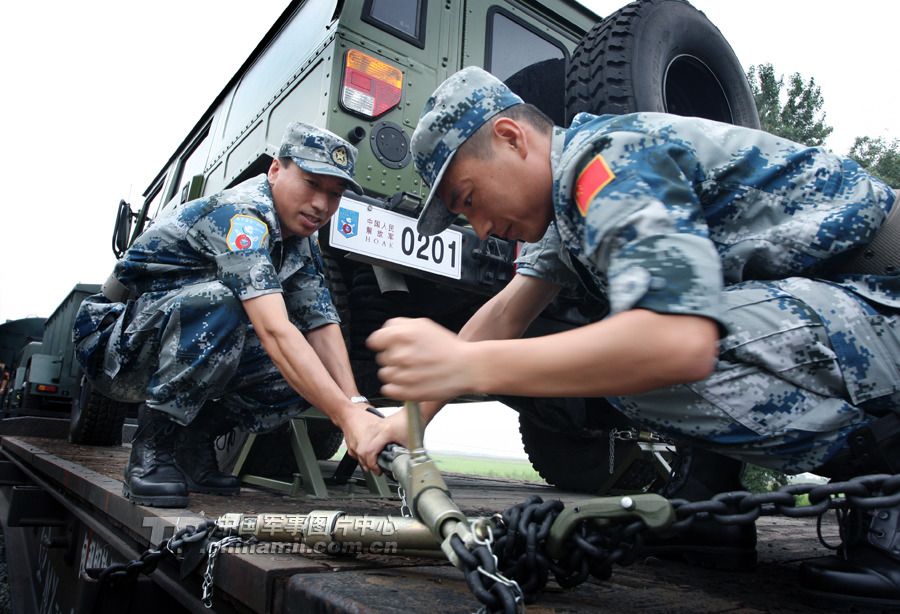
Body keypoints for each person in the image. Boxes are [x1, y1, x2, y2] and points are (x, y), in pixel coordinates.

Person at [363, 67, 900, 608]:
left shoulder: (608, 159)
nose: (478, 228)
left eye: (470, 199)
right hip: (856, 312)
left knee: (638, 353)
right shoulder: (565, 205)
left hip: (883, 296)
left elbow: (675, 341)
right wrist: (408, 419)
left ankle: (889, 477)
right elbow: (505, 314)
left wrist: (469, 367)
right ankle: (711, 504)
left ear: (510, 137)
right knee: (615, 342)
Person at [74, 122, 391, 508]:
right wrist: (345, 416)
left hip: (170, 335)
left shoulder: (300, 242)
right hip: (114, 344)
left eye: (334, 194)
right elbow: (275, 330)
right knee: (223, 304)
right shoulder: (241, 216)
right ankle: (151, 451)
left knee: (308, 374)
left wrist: (355, 402)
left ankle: (193, 443)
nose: (322, 205)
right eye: (310, 183)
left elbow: (320, 322)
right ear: (276, 170)